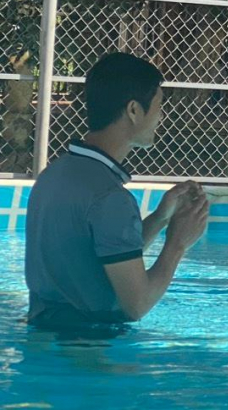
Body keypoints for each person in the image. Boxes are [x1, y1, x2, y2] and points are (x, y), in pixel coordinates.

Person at [25, 53, 209, 328]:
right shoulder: (110, 197)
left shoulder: (54, 175)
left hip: (44, 334)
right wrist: (177, 243)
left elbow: (102, 258)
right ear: (134, 110)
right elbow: (137, 304)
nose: (161, 116)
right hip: (91, 350)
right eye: (159, 106)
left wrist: (161, 217)